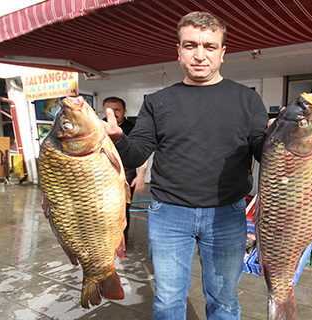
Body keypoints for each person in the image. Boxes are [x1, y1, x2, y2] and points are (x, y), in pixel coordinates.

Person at [103, 11, 268, 319]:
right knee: (167, 301)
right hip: (168, 214)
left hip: (226, 214)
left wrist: (282, 138)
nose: (200, 55)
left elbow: (263, 152)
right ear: (178, 51)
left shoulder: (247, 100)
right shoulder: (157, 101)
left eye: (209, 46)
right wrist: (117, 138)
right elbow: (137, 154)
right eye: (191, 45)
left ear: (222, 53)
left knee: (224, 302)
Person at [102, 96, 149, 245]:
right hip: (101, 176)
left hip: (126, 175)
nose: (113, 113)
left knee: (122, 210)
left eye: (117, 109)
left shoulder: (133, 128)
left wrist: (140, 176)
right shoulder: (97, 127)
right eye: (109, 109)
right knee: (101, 210)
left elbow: (143, 154)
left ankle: (121, 243)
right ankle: (103, 242)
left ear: (124, 111)